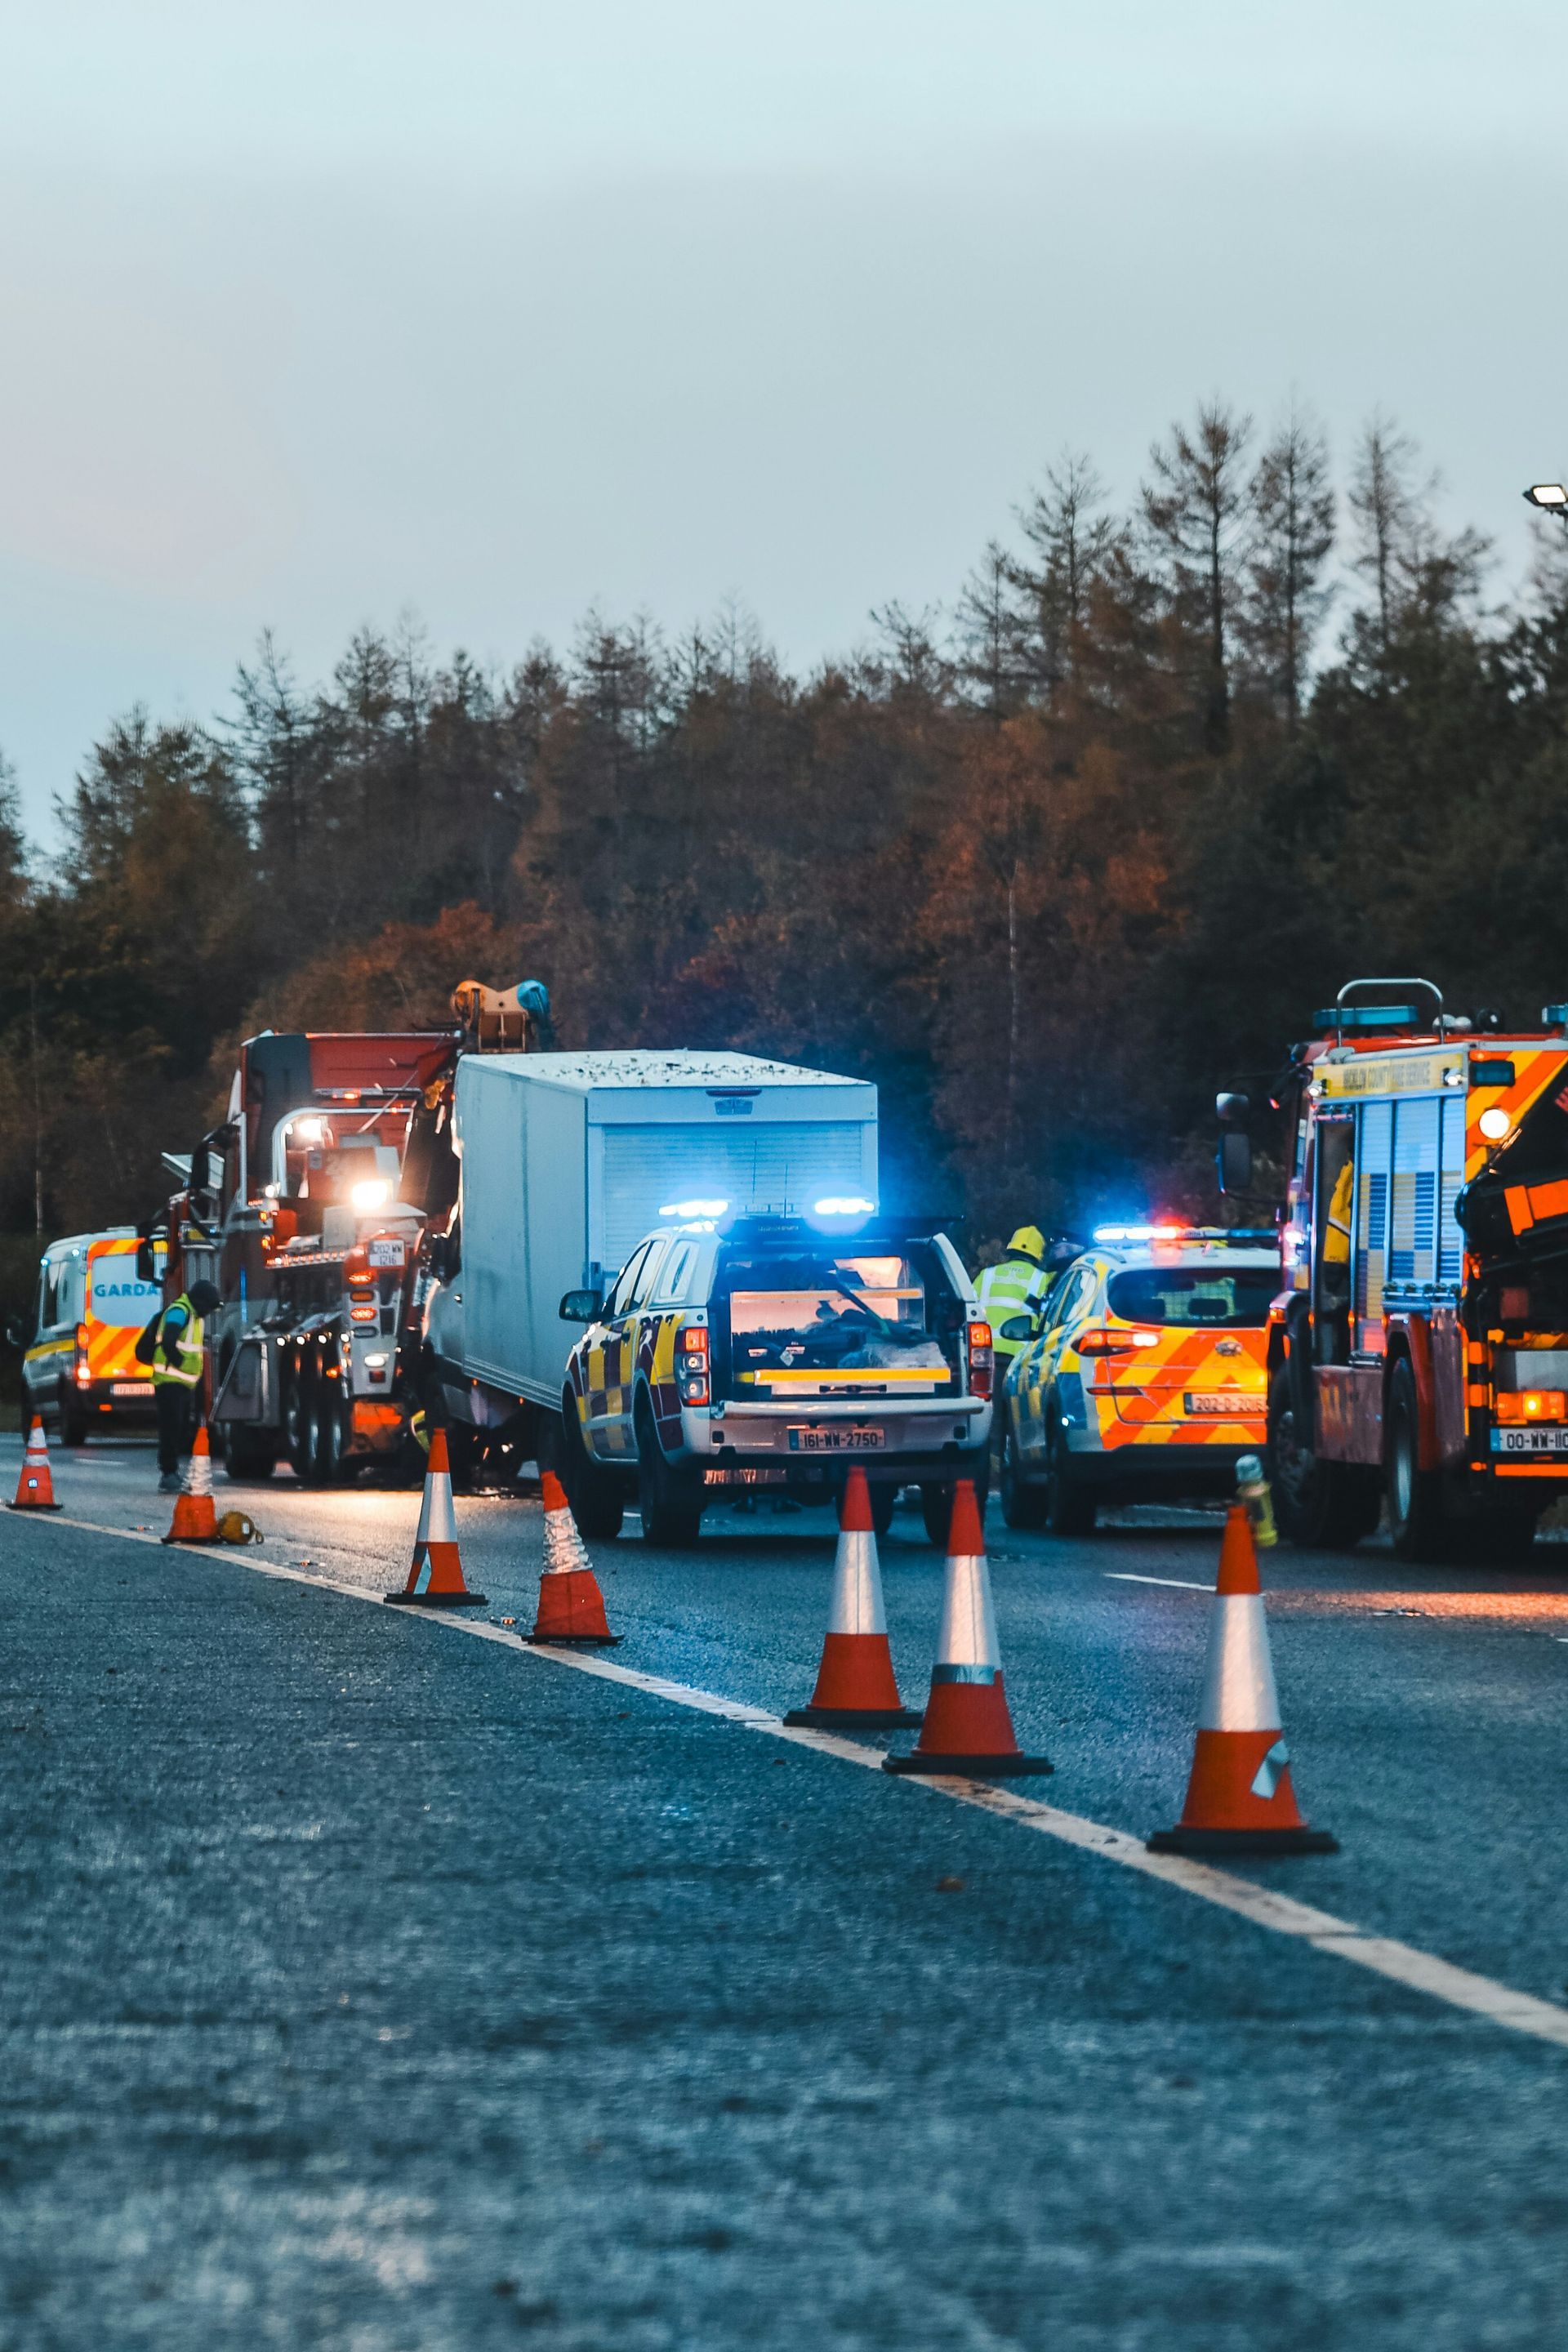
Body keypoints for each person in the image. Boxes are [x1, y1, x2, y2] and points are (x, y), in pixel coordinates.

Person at [152, 1279, 220, 1491]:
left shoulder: (194, 1315)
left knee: (178, 1429)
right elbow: (169, 1340)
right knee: (171, 1429)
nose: (209, 1312)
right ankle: (168, 1474)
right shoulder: (180, 1311)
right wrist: (179, 1361)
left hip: (182, 1383)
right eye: (208, 1307)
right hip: (170, 1381)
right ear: (200, 1302)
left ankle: (172, 1473)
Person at [975, 1227, 1050, 1373]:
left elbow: (966, 1308)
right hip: (1020, 1357)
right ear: (1038, 1255)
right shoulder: (1042, 1279)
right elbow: (1047, 1321)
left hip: (983, 1352)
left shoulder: (986, 1275)